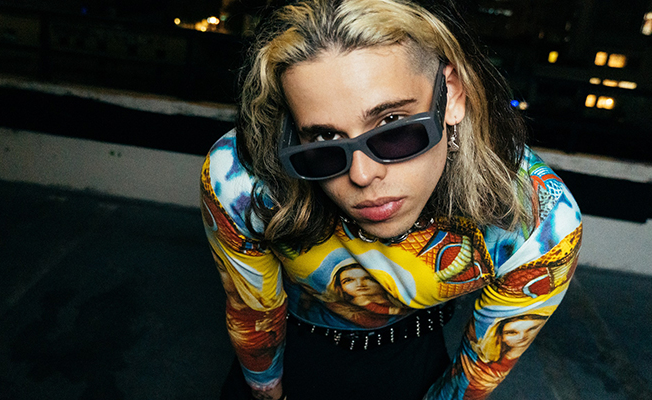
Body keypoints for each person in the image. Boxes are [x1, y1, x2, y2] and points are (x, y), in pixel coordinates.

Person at [200, 0, 582, 399]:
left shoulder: (540, 221)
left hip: (411, 358)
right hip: (288, 346)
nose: (362, 175)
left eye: (392, 123)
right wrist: (266, 390)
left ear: (451, 95)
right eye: (325, 137)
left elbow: (475, 376)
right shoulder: (241, 178)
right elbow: (252, 311)